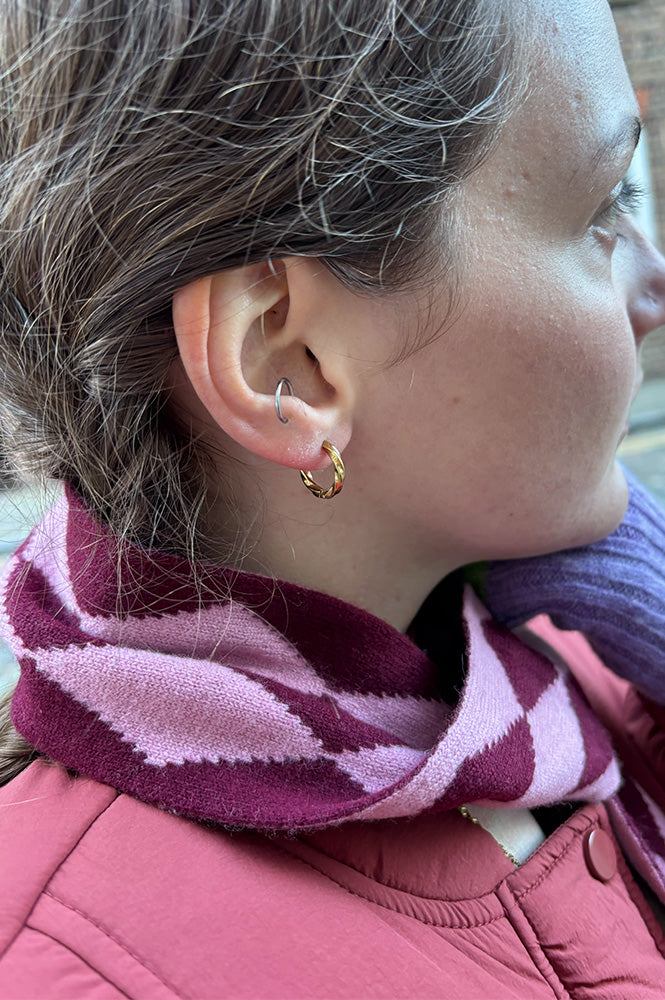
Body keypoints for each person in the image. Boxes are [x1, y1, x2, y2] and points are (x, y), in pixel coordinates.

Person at [1, 0, 665, 995]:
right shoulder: (85, 968)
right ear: (287, 362)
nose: (652, 283)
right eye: (600, 208)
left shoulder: (567, 653)